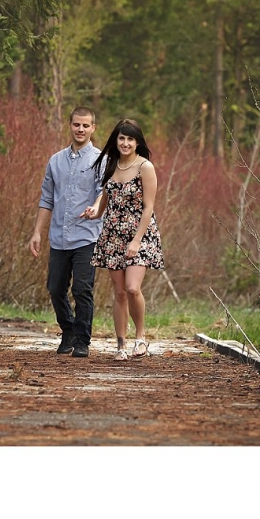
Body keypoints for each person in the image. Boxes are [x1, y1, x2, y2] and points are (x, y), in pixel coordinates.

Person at [80, 119, 164, 361]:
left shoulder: (145, 167)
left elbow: (148, 207)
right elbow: (106, 198)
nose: (125, 143)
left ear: (137, 142)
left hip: (141, 233)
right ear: (115, 140)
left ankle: (141, 338)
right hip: (112, 234)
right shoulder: (111, 164)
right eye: (121, 138)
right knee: (118, 292)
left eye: (130, 139)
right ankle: (121, 345)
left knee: (132, 288)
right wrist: (94, 211)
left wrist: (136, 241)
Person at [29, 106, 105, 358]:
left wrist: (95, 207)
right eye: (76, 124)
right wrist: (37, 233)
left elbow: (103, 192)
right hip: (59, 237)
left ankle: (82, 340)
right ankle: (68, 329)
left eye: (86, 125)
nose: (80, 129)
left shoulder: (100, 159)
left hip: (87, 236)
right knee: (55, 287)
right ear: (70, 125)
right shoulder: (55, 160)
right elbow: (46, 199)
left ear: (93, 128)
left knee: (82, 288)